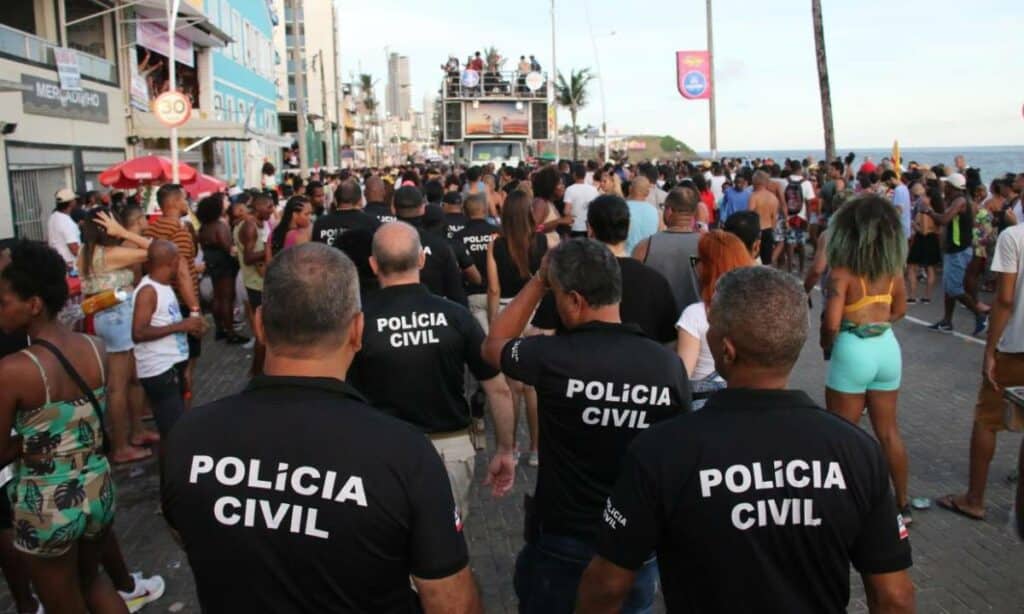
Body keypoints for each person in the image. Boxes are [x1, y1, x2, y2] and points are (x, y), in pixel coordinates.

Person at [160, 243, 483, 613]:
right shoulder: (404, 454)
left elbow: (187, 533)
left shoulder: (188, 438)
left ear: (260, 324)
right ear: (357, 331)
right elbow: (451, 602)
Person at [578, 266, 915, 614]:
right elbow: (894, 596)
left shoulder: (662, 450)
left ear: (727, 350)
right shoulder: (856, 450)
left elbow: (607, 584)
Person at [482, 239, 690, 614]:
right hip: (634, 545)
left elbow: (495, 343)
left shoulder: (552, 357)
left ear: (574, 300)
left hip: (564, 538)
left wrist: (539, 281)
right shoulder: (667, 366)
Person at [349, 223, 516, 520]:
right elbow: (497, 387)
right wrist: (505, 448)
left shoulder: (358, 322)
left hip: (380, 452)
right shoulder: (456, 316)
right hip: (448, 450)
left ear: (374, 265)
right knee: (446, 548)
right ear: (422, 260)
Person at [0, 240, 127, 613]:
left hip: (48, 502)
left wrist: (24, 445)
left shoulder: (14, 370)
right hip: (97, 486)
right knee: (95, 581)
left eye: (4, 301)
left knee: (62, 601)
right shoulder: (94, 346)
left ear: (34, 305)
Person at [821, 195, 912, 520]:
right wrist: (878, 325)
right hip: (887, 347)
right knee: (888, 432)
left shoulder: (841, 273)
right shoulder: (893, 271)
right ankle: (902, 503)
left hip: (852, 348)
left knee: (843, 436)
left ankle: (846, 506)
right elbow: (900, 309)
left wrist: (826, 345)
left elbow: (831, 323)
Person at [938, 217, 1024, 521]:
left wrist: (990, 349)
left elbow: (1004, 298)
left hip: (1014, 345)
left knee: (987, 420)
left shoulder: (1014, 237)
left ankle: (975, 498)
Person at [533, 196, 679, 344]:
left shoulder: (568, 276)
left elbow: (541, 334)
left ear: (590, 229)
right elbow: (670, 341)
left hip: (577, 362)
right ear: (628, 229)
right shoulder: (656, 281)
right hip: (642, 364)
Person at [78, 212, 158, 464]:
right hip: (118, 318)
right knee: (118, 385)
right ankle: (121, 446)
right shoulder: (109, 255)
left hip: (107, 317)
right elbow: (160, 251)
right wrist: (124, 233)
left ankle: (136, 431)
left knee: (133, 380)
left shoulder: (86, 253)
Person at [131, 240, 204, 438]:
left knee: (176, 428)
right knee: (172, 432)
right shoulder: (148, 291)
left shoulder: (163, 286)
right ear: (172, 262)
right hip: (159, 370)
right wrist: (182, 326)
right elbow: (138, 333)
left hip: (172, 366)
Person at [142, 184, 202, 390]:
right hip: (182, 304)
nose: (187, 203)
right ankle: (183, 415)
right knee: (186, 368)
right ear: (175, 202)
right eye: (185, 199)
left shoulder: (150, 230)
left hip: (160, 304)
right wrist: (195, 312)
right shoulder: (180, 231)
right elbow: (182, 274)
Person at [676, 231, 753, 392]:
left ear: (708, 266)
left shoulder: (695, 315)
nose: (695, 267)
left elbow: (682, 378)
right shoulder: (756, 310)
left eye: (697, 260)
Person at [923, 173, 990, 335]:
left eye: (946, 185)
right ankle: (947, 321)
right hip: (956, 250)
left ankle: (980, 315)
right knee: (948, 288)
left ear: (952, 187)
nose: (944, 187)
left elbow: (944, 219)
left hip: (958, 251)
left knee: (954, 288)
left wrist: (929, 212)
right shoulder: (958, 200)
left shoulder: (960, 201)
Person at [394, 186, 471, 306]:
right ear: (423, 209)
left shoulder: (381, 243)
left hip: (391, 314)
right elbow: (457, 293)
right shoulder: (440, 246)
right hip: (434, 315)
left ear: (393, 209)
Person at [632, 187, 702, 313]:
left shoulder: (645, 247)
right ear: (695, 213)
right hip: (696, 324)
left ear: (669, 211)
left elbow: (634, 286)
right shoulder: (707, 245)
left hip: (656, 321)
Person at [196, 194, 246, 344]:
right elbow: (229, 248)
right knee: (226, 299)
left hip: (212, 264)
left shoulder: (204, 227)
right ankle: (230, 332)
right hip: (224, 265)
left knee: (217, 298)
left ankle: (219, 329)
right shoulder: (219, 226)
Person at [234, 192, 273, 375]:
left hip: (260, 282)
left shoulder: (257, 224)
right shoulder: (250, 227)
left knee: (265, 333)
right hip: (256, 285)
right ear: (258, 207)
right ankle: (257, 374)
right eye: (269, 207)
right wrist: (269, 249)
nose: (272, 211)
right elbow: (249, 257)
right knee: (262, 335)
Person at [453, 194, 499, 331]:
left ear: (465, 212)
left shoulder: (459, 236)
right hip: (498, 294)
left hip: (472, 295)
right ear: (485, 211)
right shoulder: (497, 233)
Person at [906, 186, 942, 304]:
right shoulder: (936, 211)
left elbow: (924, 231)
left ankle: (912, 295)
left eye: (925, 196)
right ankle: (927, 296)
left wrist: (913, 225)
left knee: (912, 266)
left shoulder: (925, 211)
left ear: (930, 198)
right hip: (932, 240)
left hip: (922, 240)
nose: (922, 198)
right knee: (931, 268)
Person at [624, 177, 660, 254]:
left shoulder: (622, 208)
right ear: (647, 193)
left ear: (630, 189)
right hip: (647, 257)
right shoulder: (655, 212)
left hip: (625, 257)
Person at [564, 163, 601, 239]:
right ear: (585, 175)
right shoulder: (593, 190)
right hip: (590, 228)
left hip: (575, 227)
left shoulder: (570, 189)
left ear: (574, 174)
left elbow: (566, 211)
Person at [48, 188, 81, 270]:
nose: (76, 201)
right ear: (71, 203)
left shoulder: (53, 217)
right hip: (70, 265)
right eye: (74, 200)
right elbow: (74, 249)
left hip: (56, 262)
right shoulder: (67, 222)